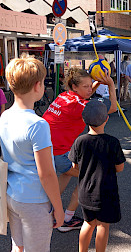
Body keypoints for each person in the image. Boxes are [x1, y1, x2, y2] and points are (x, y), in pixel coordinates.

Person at [0, 56, 64, 252]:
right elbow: (47, 174)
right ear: (38, 86)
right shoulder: (38, 125)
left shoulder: (5, 116)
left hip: (12, 194)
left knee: (18, 247)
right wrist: (58, 208)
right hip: (34, 200)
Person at [43, 66, 117, 232]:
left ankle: (47, 209)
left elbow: (86, 94)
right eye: (86, 86)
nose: (90, 89)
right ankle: (66, 219)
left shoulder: (64, 96)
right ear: (74, 87)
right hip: (58, 153)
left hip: (49, 150)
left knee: (67, 173)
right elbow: (112, 108)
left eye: (91, 85)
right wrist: (111, 85)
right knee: (89, 175)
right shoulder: (79, 105)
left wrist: (95, 83)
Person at [69, 98, 125, 252]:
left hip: (85, 191)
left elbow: (74, 166)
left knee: (88, 223)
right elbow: (119, 168)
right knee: (102, 225)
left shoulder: (80, 141)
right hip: (106, 192)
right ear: (106, 119)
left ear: (84, 120)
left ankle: (83, 251)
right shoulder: (112, 142)